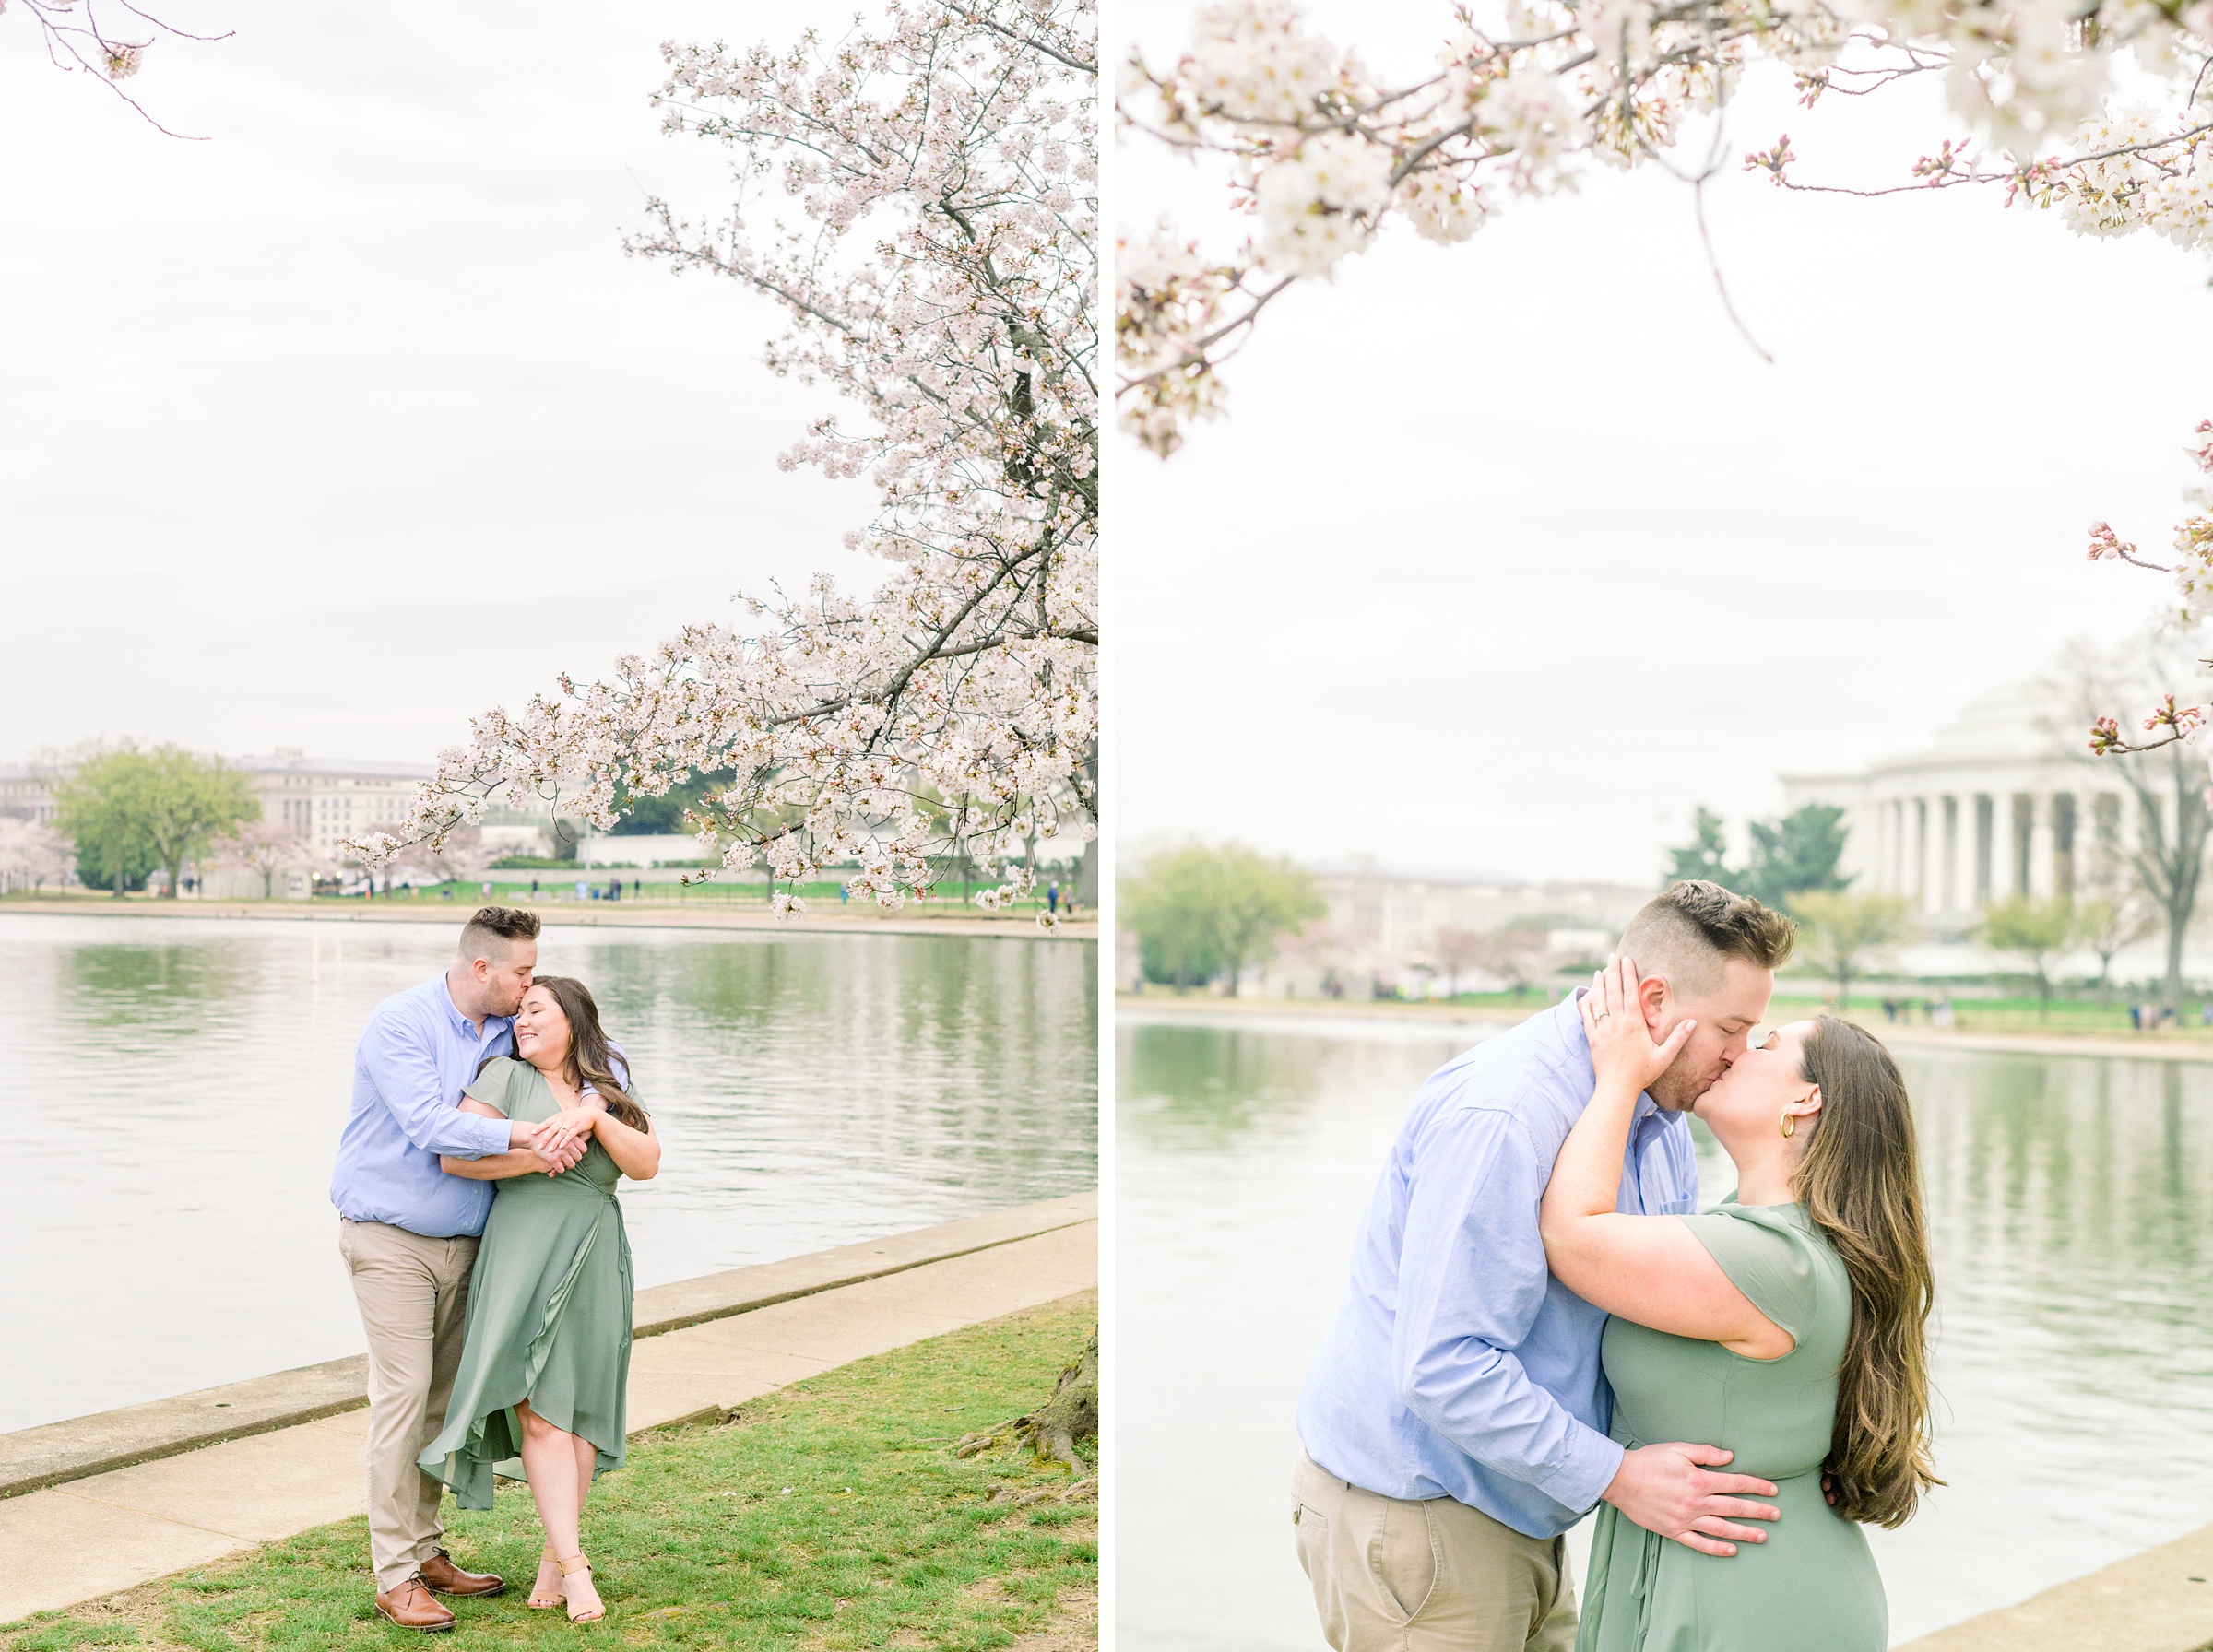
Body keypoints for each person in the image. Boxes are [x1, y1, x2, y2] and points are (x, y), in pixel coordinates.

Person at [1292, 882, 1796, 1652]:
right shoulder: (1506, 1114)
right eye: (1733, 1028)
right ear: (1655, 999)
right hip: (1424, 1517)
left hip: (1521, 1507)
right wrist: (1621, 1478)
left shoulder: (1659, 1118)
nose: (1737, 1056)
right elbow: (1442, 1366)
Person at [1543, 959, 1936, 1649]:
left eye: (1763, 1045)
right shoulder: (1771, 1239)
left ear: (1805, 1100)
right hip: (1730, 1564)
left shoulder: (1770, 1261)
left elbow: (1572, 1237)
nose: (1733, 1051)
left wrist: (1618, 1076)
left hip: (1746, 1592)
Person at [330, 908, 589, 1632]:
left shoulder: (513, 1028)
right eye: (521, 973)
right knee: (404, 1396)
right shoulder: (400, 1023)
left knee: (443, 1403)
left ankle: (426, 1549)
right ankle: (394, 1576)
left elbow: (585, 1061)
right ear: (483, 969)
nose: (529, 985)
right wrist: (533, 1133)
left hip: (475, 1247)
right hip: (390, 1240)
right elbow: (427, 1122)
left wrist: (590, 1110)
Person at [419, 974, 661, 1624]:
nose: (520, 1022)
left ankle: (557, 1556)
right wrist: (535, 1157)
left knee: (578, 1412)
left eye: (535, 1012)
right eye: (519, 1013)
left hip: (594, 1251)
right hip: (523, 1246)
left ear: (574, 1022)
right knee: (538, 1414)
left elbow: (645, 1165)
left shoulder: (607, 1087)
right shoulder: (500, 1075)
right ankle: (577, 1569)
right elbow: (456, 1159)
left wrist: (591, 1116)